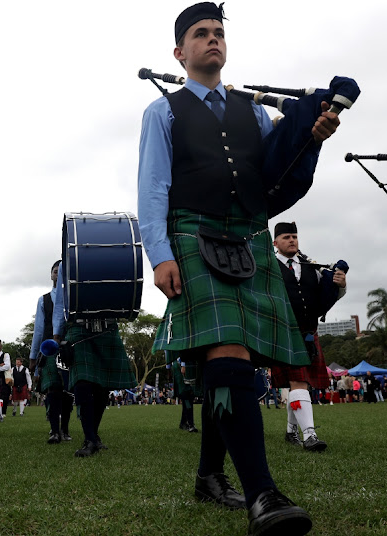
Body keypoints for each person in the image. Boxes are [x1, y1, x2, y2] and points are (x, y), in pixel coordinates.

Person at [137, 4, 342, 534]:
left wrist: (310, 137)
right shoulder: (163, 112)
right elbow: (153, 186)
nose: (212, 41)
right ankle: (263, 496)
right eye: (200, 35)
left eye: (219, 34)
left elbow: (280, 170)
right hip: (192, 235)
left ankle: (209, 475)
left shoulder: (254, 113)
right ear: (180, 53)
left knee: (232, 366)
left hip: (249, 236)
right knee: (227, 354)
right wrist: (159, 253)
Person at [270, 221, 346, 451]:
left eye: (294, 236)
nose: (292, 240)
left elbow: (327, 294)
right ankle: (309, 435)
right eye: (286, 237)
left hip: (310, 332)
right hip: (284, 332)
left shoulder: (311, 266)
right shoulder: (269, 267)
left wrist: (341, 284)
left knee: (300, 384)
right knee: (299, 382)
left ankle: (291, 431)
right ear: (275, 243)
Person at [52, 260, 137, 457]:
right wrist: (57, 333)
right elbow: (61, 299)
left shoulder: (113, 253)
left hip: (107, 325)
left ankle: (93, 435)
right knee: (82, 382)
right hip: (77, 326)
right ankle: (89, 438)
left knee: (102, 387)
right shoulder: (68, 259)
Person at [29, 260, 74, 443]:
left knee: (68, 392)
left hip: (70, 347)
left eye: (60, 271)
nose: (57, 274)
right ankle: (54, 430)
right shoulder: (44, 300)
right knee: (54, 390)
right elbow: (38, 330)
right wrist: (33, 356)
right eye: (55, 271)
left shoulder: (73, 296)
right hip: (49, 350)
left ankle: (65, 429)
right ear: (51, 275)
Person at [171, 356, 199, 433]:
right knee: (187, 395)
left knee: (187, 397)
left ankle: (183, 423)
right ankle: (191, 424)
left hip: (182, 363)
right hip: (182, 363)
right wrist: (183, 364)